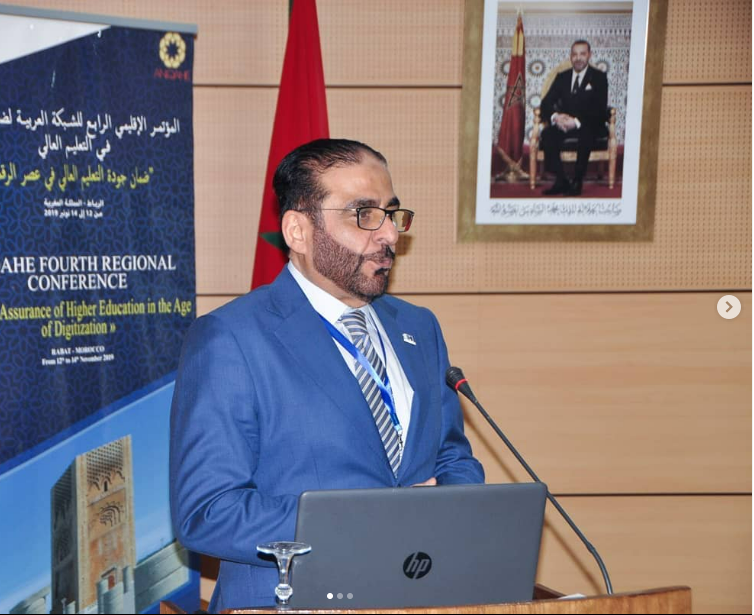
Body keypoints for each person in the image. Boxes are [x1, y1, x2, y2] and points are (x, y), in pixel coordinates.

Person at [169, 138, 485, 613]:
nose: (389, 234)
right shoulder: (230, 339)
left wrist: (450, 507)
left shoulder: (419, 328)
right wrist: (366, 522)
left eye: (391, 213)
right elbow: (208, 512)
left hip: (420, 597)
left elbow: (452, 457)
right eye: (364, 214)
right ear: (298, 231)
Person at [539, 40, 609, 196]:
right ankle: (561, 180)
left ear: (589, 55)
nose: (578, 58)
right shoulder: (562, 77)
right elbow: (546, 103)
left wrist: (576, 122)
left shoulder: (599, 77)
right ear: (570, 56)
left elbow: (599, 109)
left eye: (582, 54)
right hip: (565, 124)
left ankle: (577, 181)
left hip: (589, 124)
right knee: (548, 134)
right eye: (574, 54)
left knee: (586, 133)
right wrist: (556, 117)